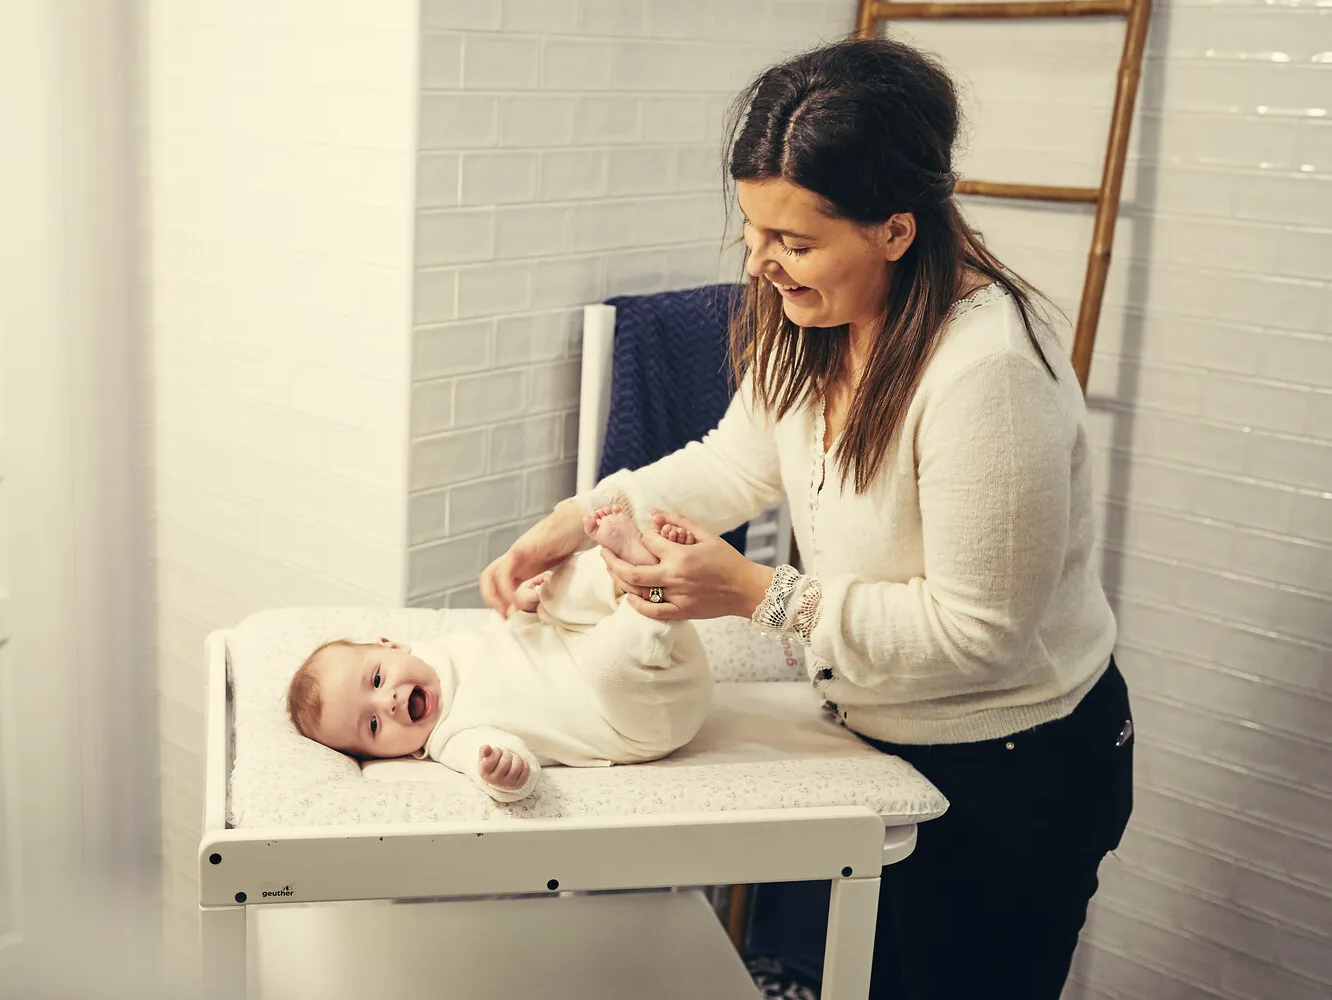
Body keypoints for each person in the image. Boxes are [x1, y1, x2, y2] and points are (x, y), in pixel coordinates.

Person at [479, 37, 1133, 1000]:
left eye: (794, 241)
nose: (763, 265)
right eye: (752, 231)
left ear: (896, 231)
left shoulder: (987, 375)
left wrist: (756, 595)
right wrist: (575, 520)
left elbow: (982, 636)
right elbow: (732, 463)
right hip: (884, 737)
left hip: (1014, 776)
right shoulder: (816, 323)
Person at [288, 508, 713, 802]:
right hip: (646, 713)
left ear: (392, 645)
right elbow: (496, 759)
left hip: (663, 657)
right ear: (387, 755)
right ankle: (650, 591)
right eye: (374, 724)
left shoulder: (444, 649)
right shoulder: (450, 738)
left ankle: (634, 570)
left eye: (377, 680)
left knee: (554, 590)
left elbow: (513, 643)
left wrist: (529, 609)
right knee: (606, 665)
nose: (390, 701)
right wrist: (503, 774)